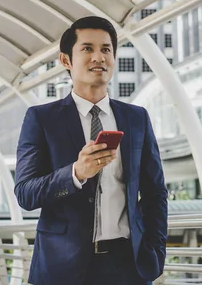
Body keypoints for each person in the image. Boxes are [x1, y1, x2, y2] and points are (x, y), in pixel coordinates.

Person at [15, 16, 168, 285]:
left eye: (106, 49)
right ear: (66, 61)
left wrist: (155, 251)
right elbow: (25, 193)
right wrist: (75, 173)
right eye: (87, 49)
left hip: (128, 266)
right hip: (62, 268)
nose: (98, 57)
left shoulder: (136, 118)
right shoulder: (42, 119)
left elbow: (155, 191)